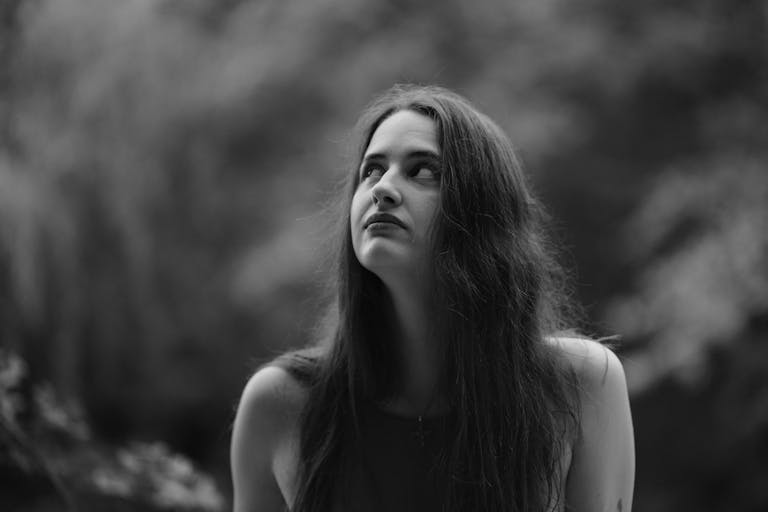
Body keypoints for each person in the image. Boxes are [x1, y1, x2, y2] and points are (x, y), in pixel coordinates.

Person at [230, 85, 635, 512]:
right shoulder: (280, 405)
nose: (382, 189)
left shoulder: (580, 387)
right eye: (371, 170)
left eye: (423, 171)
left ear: (483, 212)